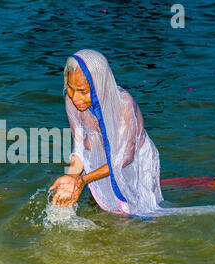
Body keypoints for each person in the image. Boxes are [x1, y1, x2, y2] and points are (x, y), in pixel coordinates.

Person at [49, 49, 163, 218]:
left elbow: (125, 158)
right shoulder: (71, 102)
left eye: (83, 91)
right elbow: (80, 149)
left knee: (139, 214)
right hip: (102, 156)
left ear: (99, 85)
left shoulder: (124, 104)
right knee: (108, 209)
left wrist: (83, 180)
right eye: (71, 89)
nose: (75, 98)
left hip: (135, 159)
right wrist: (72, 179)